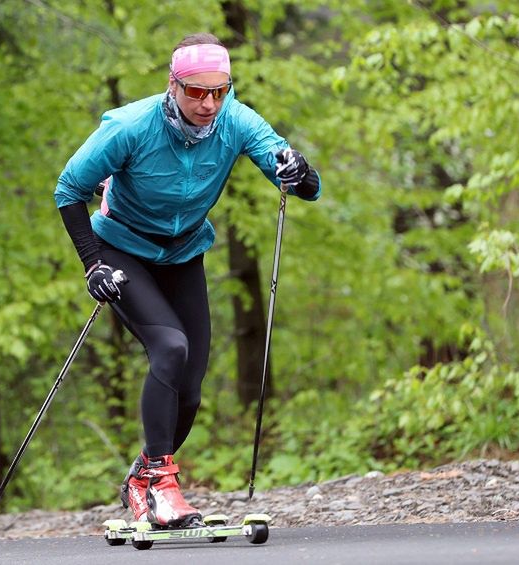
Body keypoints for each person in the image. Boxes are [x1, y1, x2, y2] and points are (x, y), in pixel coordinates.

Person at [54, 32, 321, 527]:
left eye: (219, 91)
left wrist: (297, 170)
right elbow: (69, 189)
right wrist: (93, 264)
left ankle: (142, 480)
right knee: (170, 348)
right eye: (196, 91)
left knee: (191, 391)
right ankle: (160, 486)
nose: (208, 103)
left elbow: (305, 184)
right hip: (121, 247)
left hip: (183, 254)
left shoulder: (235, 121)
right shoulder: (131, 126)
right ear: (172, 86)